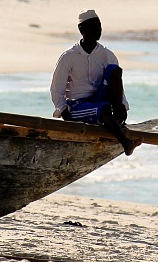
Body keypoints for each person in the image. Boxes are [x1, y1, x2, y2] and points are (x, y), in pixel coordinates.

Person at [50, 9, 140, 155]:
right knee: (103, 109)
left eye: (99, 26)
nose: (98, 30)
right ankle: (126, 143)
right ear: (81, 29)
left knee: (114, 70)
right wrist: (65, 112)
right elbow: (56, 89)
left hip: (100, 100)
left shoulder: (107, 55)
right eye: (93, 27)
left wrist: (122, 105)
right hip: (78, 105)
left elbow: (117, 84)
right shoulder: (69, 56)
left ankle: (117, 120)